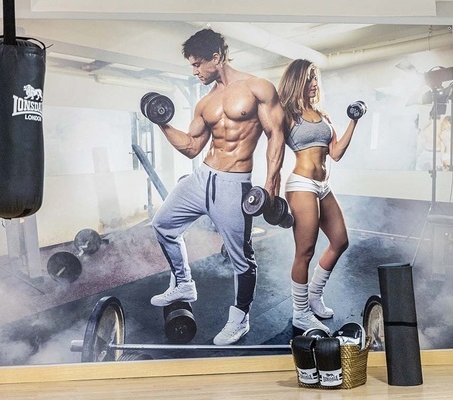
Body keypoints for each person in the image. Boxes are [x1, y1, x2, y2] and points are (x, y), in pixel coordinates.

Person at [149, 29, 285, 345]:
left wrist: (269, 186)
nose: (195, 72)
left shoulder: (257, 88)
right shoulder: (206, 101)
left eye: (198, 65)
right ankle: (183, 283)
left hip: (234, 184)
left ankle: (240, 319)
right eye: (192, 66)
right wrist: (162, 123)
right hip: (201, 177)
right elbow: (193, 146)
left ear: (216, 57)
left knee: (241, 258)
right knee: (163, 224)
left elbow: (275, 135)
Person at [277, 59, 359, 334]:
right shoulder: (286, 114)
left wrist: (353, 121)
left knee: (340, 241)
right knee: (306, 251)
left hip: (324, 185)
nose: (314, 83)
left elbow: (335, 152)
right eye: (309, 78)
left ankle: (314, 294)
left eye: (315, 79)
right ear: (297, 81)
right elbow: (273, 147)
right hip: (301, 184)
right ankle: (300, 313)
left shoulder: (322, 114)